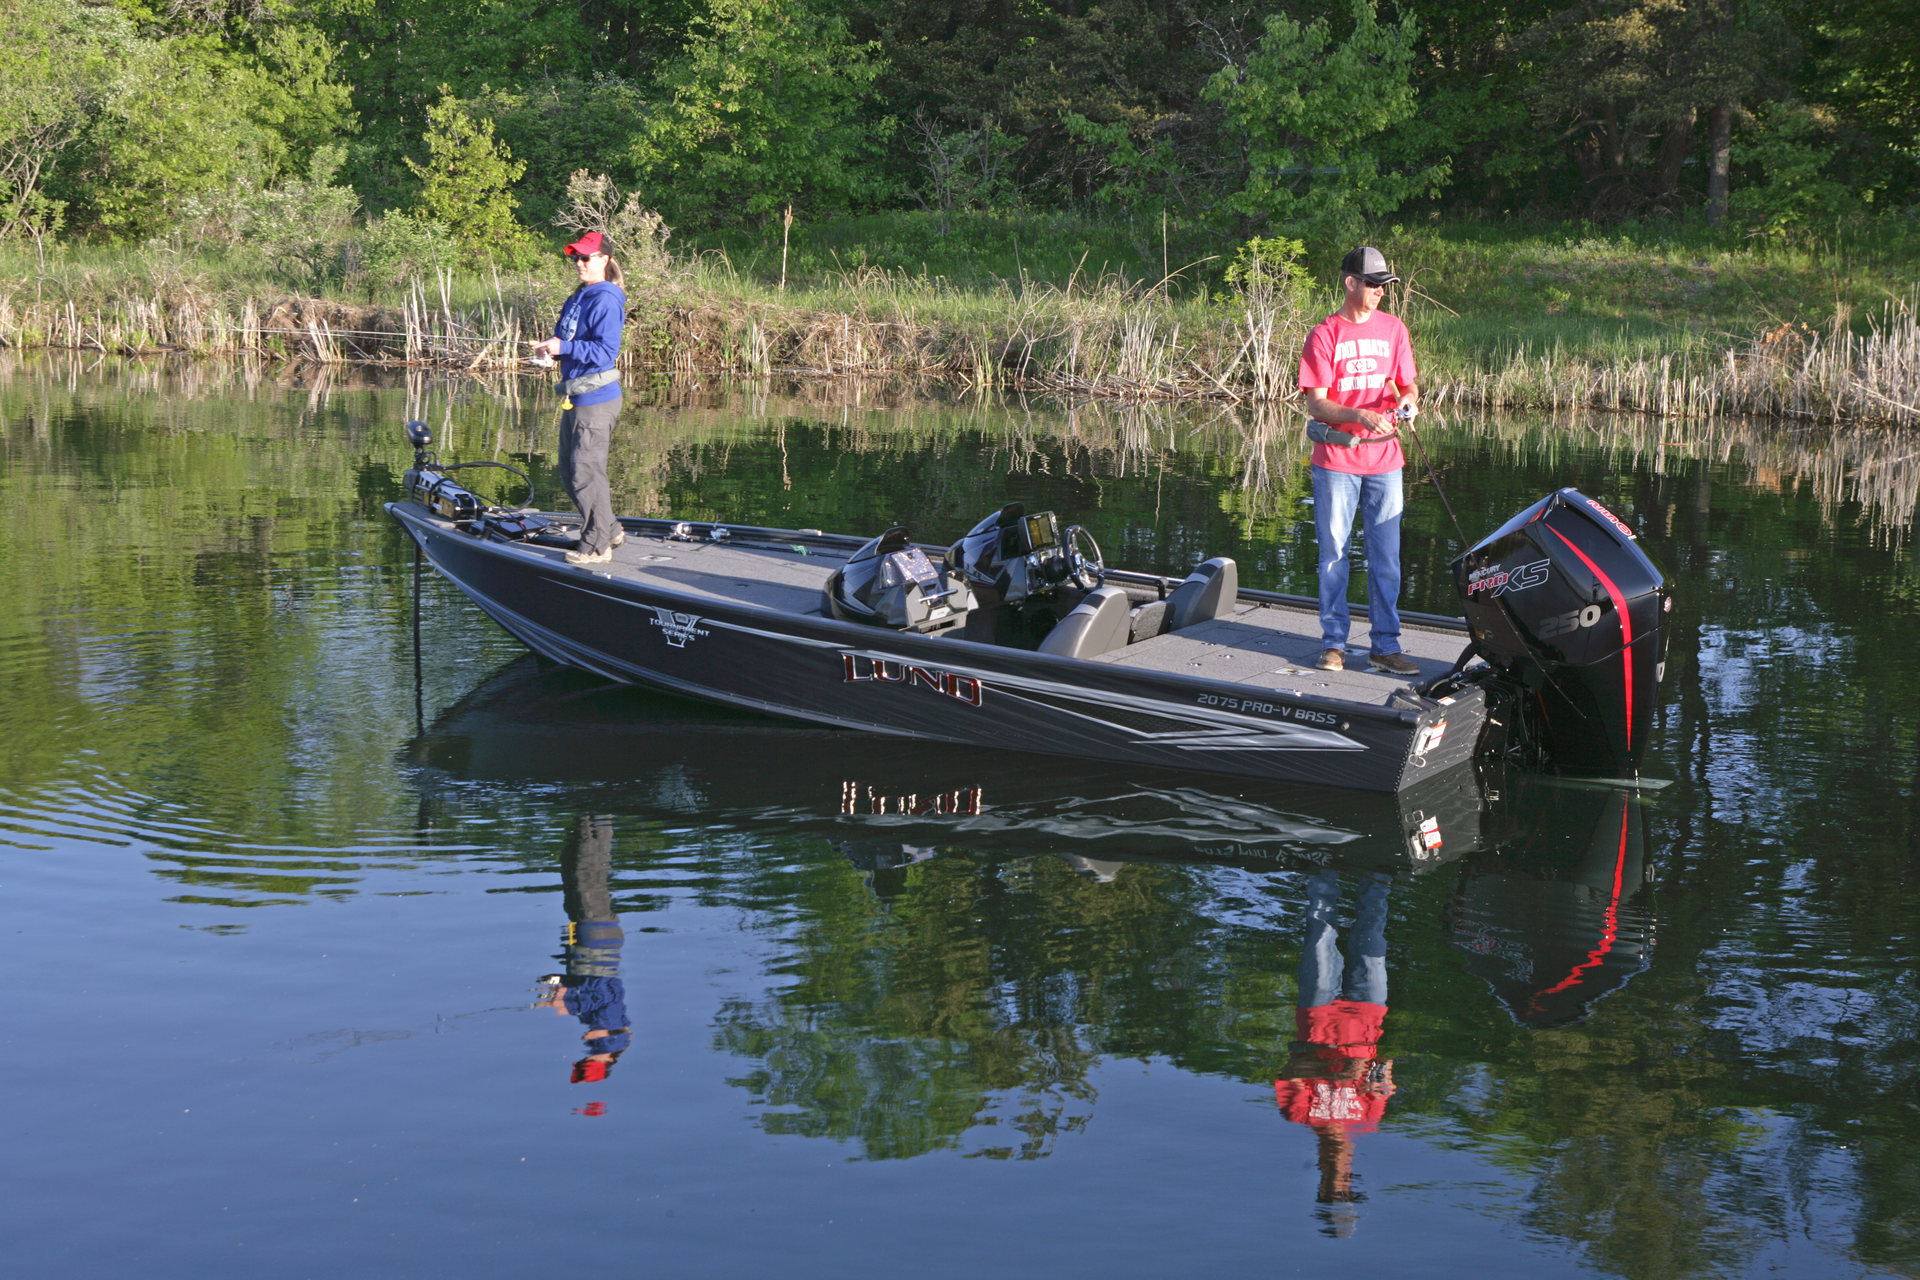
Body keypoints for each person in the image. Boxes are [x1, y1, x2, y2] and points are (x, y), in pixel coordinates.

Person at [1299, 245, 1422, 676]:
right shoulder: (1324, 334)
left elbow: (1409, 386)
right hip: (1336, 460)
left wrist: (1409, 403)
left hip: (1386, 460)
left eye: (1384, 285)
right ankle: (1334, 644)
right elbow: (1317, 403)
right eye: (1373, 284)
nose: (1380, 292)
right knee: (1334, 554)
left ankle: (1385, 646)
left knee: (1386, 557)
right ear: (1351, 283)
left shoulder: (1394, 329)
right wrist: (1359, 415)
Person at [1273, 868, 1397, 1237]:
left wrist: (1337, 1072)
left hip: (1318, 1012)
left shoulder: (1298, 1114)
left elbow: (1292, 1066)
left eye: (1334, 1193)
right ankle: (1378, 866)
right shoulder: (1369, 1118)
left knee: (1320, 929)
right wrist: (1374, 1072)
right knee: (1373, 929)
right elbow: (1383, 1066)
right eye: (1347, 1192)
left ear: (1321, 1187)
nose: (1341, 1185)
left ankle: (1322, 861)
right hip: (1369, 1011)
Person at [529, 231, 627, 567]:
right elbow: (566, 339)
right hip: (576, 395)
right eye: (576, 257)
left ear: (604, 260)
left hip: (596, 399)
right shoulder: (578, 296)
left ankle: (597, 547)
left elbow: (605, 351)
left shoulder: (606, 299)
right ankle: (609, 529)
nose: (579, 263)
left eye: (586, 257)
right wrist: (550, 350)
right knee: (570, 471)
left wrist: (565, 347)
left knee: (586, 474)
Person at [534, 814, 632, 1086]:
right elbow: (600, 991)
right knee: (587, 871)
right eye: (595, 1050)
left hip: (585, 936)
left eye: (588, 1054)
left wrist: (559, 983)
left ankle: (583, 819)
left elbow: (585, 987)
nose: (588, 1041)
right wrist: (568, 1002)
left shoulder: (593, 1021)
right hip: (598, 937)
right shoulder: (612, 1027)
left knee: (572, 870)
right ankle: (598, 814)